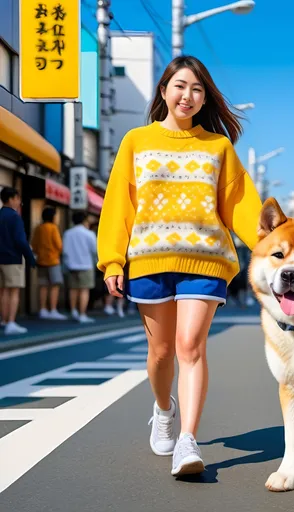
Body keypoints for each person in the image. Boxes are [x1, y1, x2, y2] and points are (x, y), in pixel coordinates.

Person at [97, 55, 262, 477]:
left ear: (205, 98)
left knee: (191, 347)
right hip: (150, 259)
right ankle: (163, 408)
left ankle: (187, 440)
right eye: (181, 86)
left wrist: (273, 247)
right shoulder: (136, 140)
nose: (188, 96)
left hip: (206, 260)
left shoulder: (218, 147)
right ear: (164, 91)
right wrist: (112, 259)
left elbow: (240, 205)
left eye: (197, 89)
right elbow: (119, 204)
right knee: (162, 352)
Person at [0, 187, 36, 334]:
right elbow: (21, 240)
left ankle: (3, 320)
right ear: (12, 198)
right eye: (18, 199)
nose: (19, 202)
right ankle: (11, 322)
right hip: (13, 258)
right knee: (13, 291)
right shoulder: (14, 217)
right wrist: (30, 257)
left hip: (0, 258)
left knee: (2, 291)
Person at [31, 207, 67, 320]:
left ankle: (42, 309)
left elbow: (34, 245)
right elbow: (59, 245)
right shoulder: (53, 228)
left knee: (43, 286)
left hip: (41, 261)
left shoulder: (38, 228)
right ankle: (53, 309)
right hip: (53, 260)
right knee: (54, 286)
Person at [62, 212, 97, 324]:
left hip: (71, 265)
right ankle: (82, 314)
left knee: (73, 289)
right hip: (86, 264)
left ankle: (73, 311)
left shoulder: (68, 233)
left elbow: (65, 251)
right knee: (84, 290)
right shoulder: (89, 234)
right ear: (84, 220)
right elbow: (94, 250)